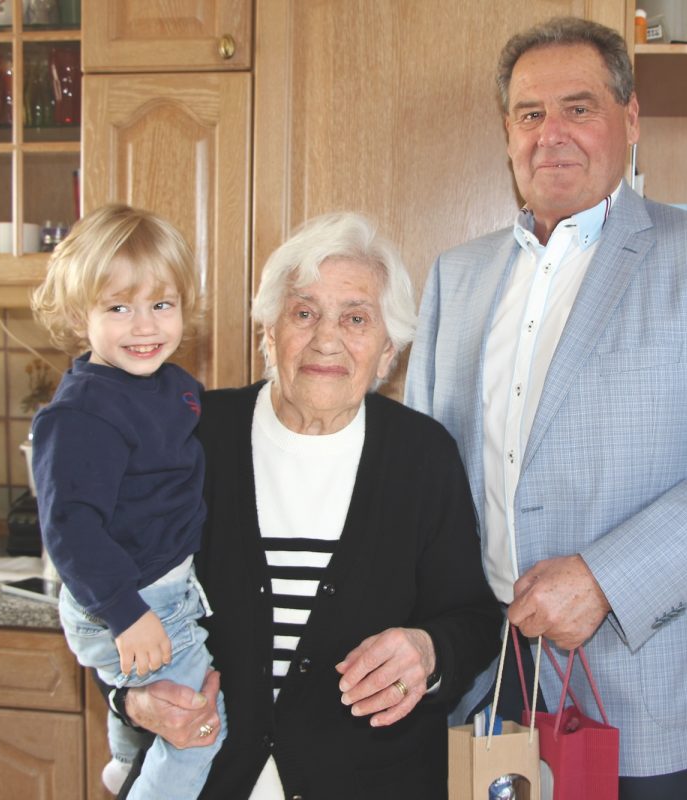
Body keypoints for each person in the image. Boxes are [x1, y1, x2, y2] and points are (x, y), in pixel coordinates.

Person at [405, 17, 687, 800]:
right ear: (507, 133)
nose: (551, 134)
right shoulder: (455, 277)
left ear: (630, 121)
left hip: (645, 687)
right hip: (485, 678)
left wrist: (602, 580)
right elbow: (423, 479)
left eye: (579, 108)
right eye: (530, 113)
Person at [110, 212, 502, 798]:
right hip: (204, 781)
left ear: (388, 351)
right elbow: (104, 590)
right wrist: (131, 699)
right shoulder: (191, 439)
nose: (326, 339)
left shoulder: (422, 455)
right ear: (269, 333)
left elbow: (473, 618)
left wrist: (428, 651)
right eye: (304, 313)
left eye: (356, 318)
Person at [30, 203, 227, 799]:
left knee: (168, 718)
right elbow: (70, 531)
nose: (144, 327)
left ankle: (125, 763)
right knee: (200, 729)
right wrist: (128, 614)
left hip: (158, 592)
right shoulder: (81, 414)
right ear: (79, 314)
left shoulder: (176, 388)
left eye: (161, 305)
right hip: (128, 602)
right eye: (119, 308)